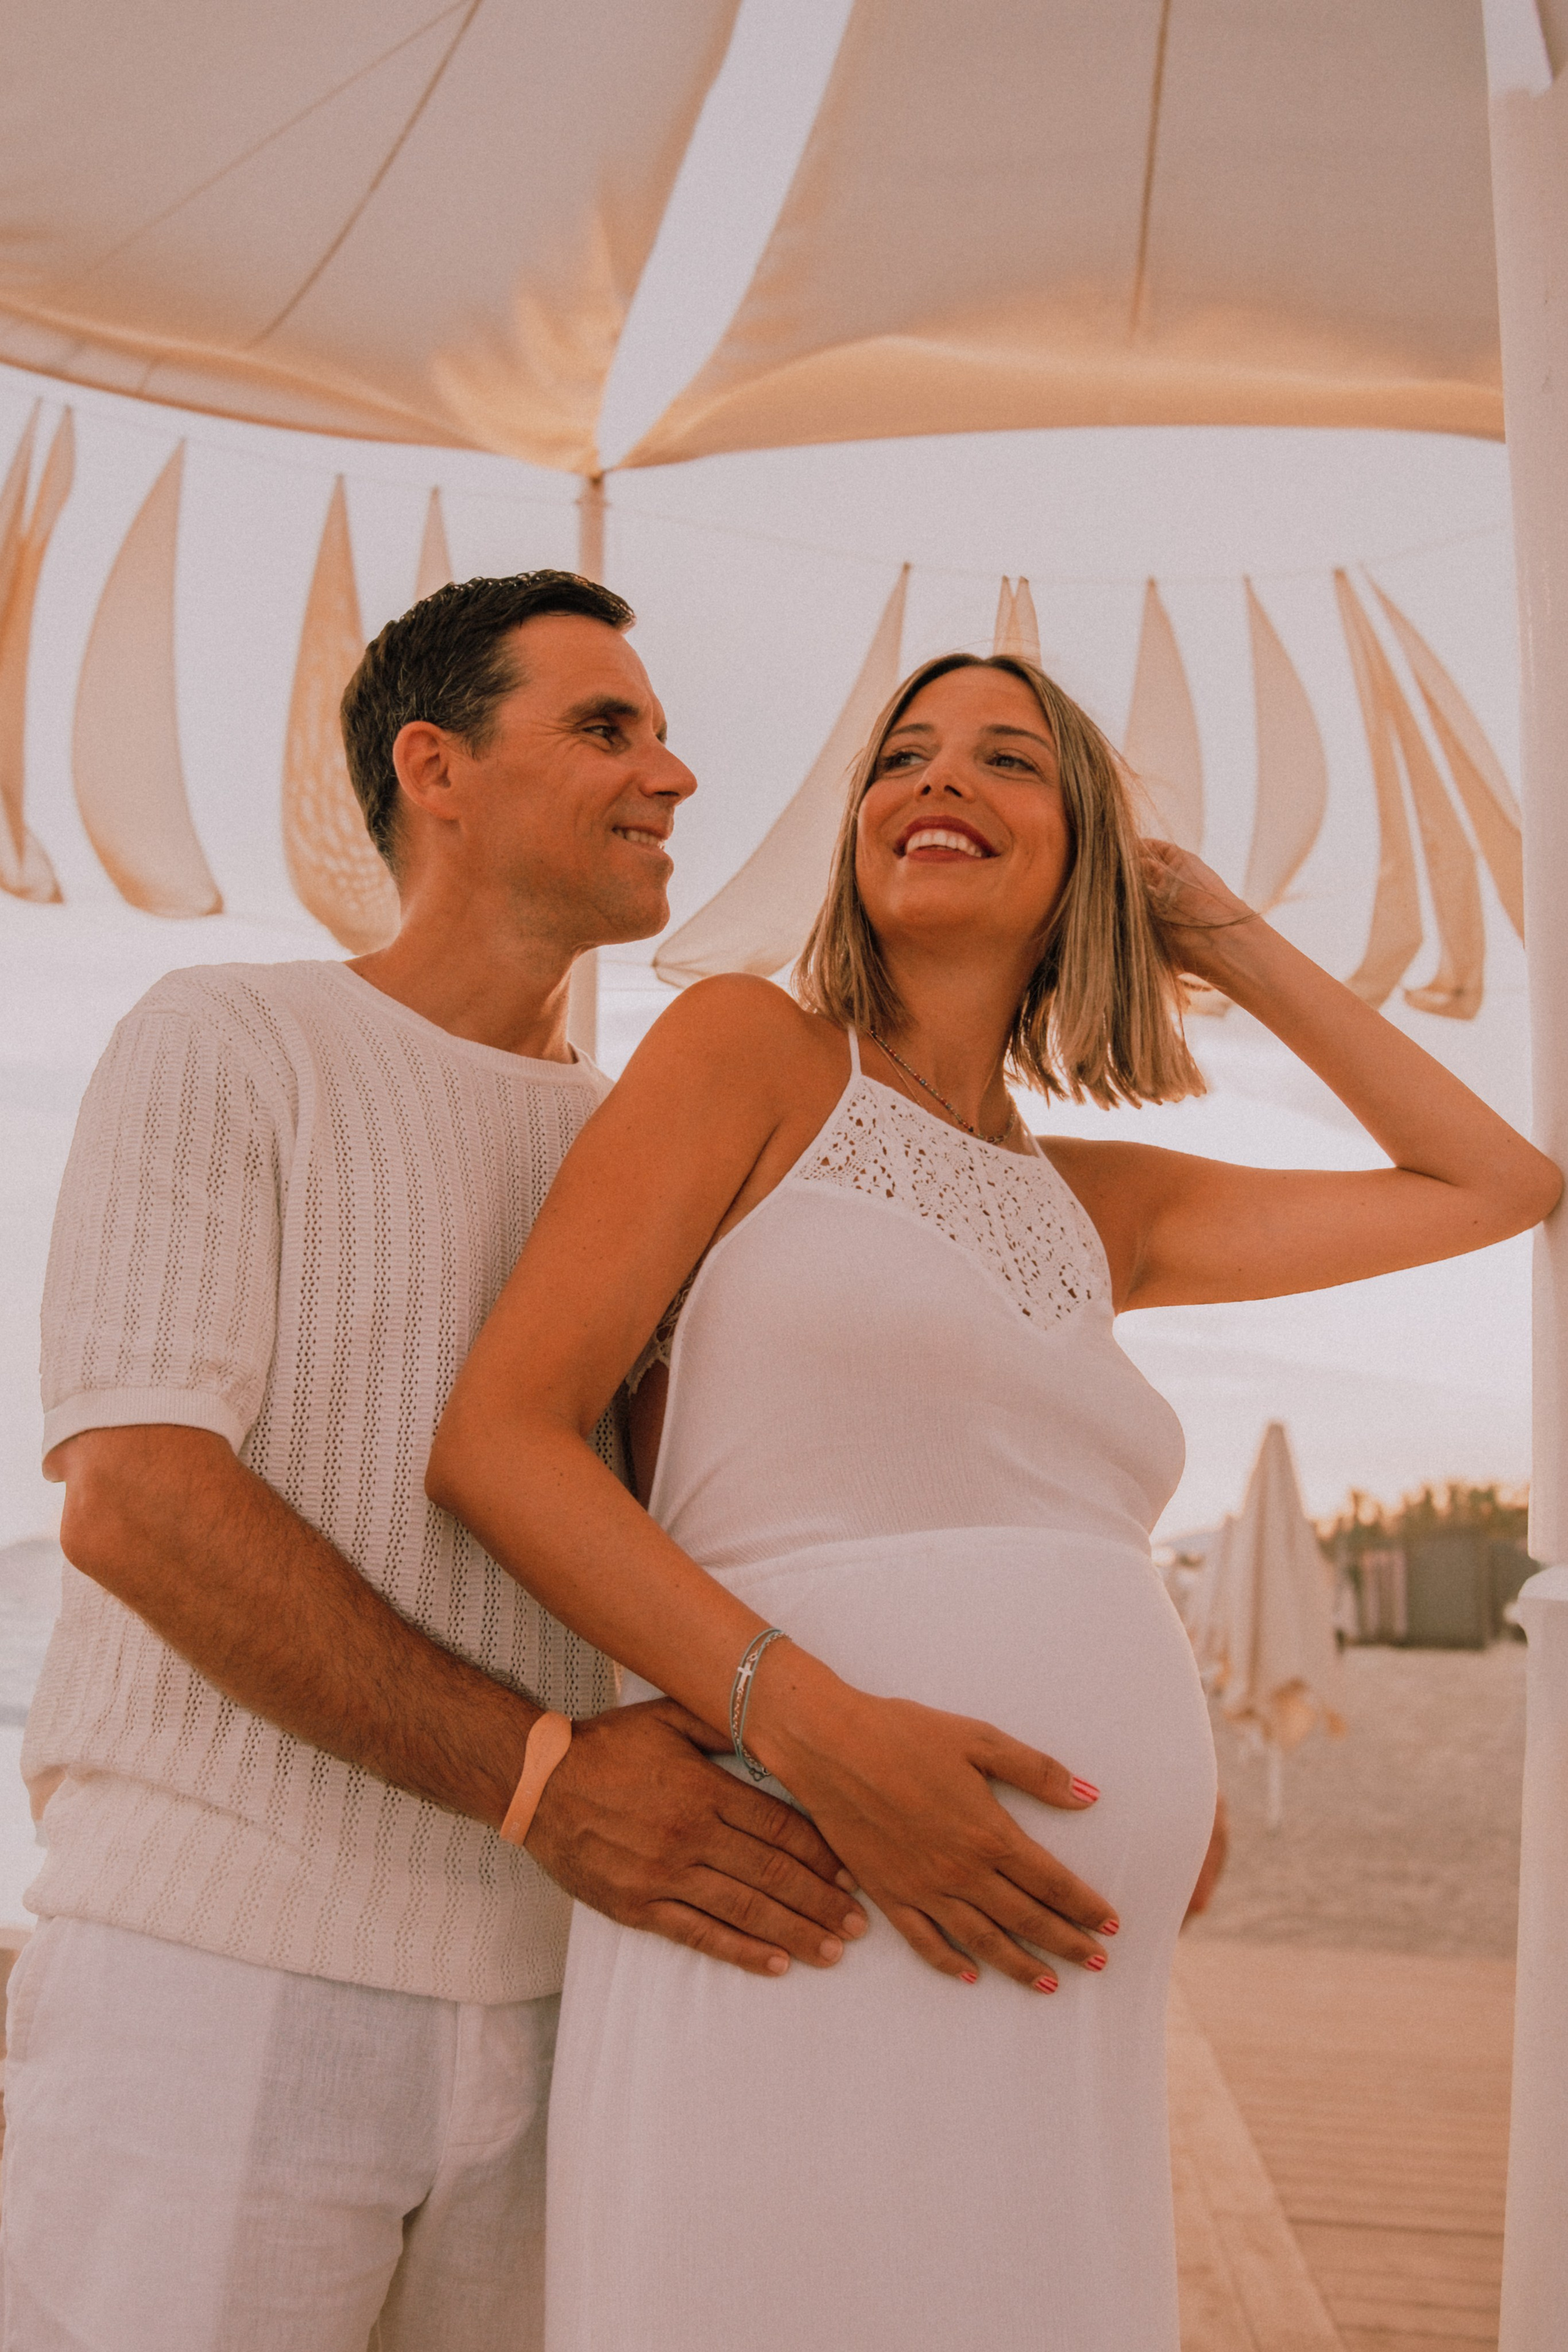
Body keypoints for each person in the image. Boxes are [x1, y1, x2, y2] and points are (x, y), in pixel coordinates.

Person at [429, 649, 1559, 2351]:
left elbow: (1498, 1182)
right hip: (801, 1878)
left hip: (1059, 1978)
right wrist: (810, 1727)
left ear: (1086, 856)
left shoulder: (1105, 1205)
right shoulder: (750, 1052)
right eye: (904, 754)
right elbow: (502, 1441)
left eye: (1010, 762)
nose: (937, 780)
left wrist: (1215, 925)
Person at [4, 572, 881, 2352]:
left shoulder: (660, 1145)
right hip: (217, 1985)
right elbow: (139, 1503)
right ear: (438, 768)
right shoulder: (228, 1041)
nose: (676, 774)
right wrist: (544, 1780)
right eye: (605, 727)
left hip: (589, 2003)